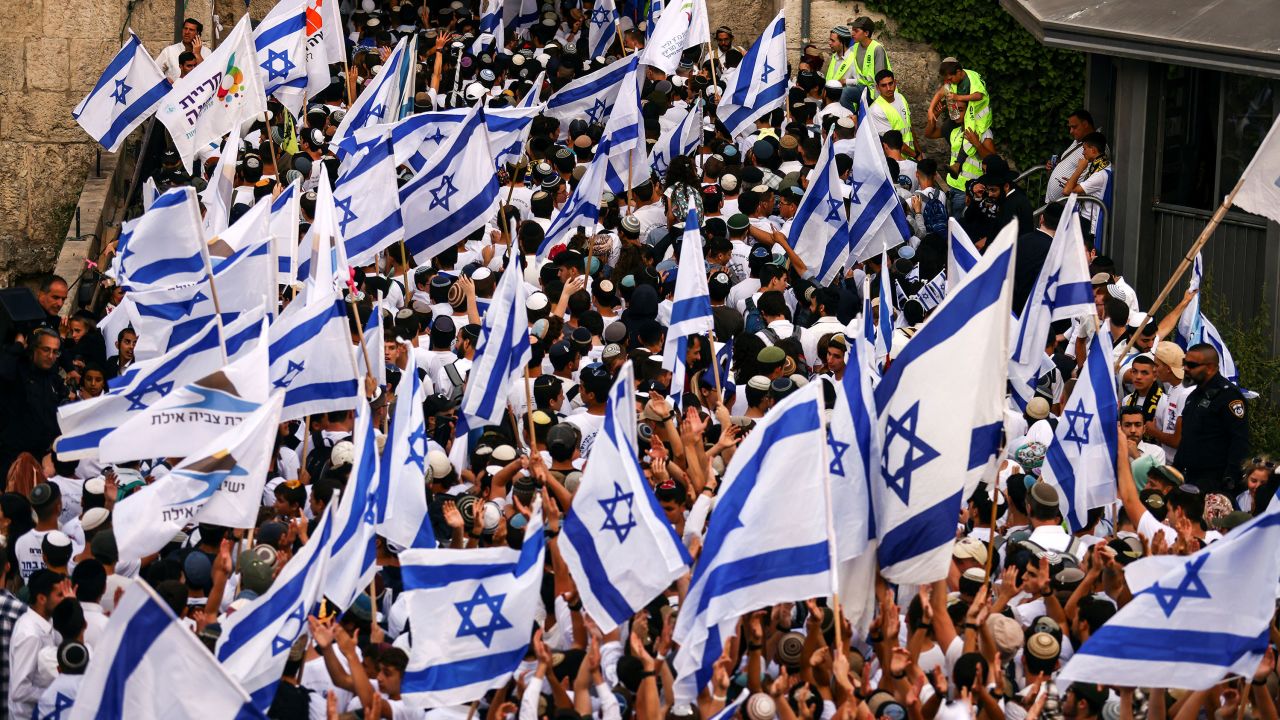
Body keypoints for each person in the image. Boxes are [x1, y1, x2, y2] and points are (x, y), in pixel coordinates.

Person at [1175, 343, 1249, 494]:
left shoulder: (1229, 396)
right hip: (1190, 477)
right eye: (1185, 363)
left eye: (1191, 365)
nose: (1186, 368)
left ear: (1209, 368)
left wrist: (1230, 478)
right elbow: (1187, 437)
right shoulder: (1194, 396)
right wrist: (1175, 471)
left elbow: (1240, 441)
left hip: (1215, 481)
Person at [0, 329, 66, 479]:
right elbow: (3, 372)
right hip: (12, 457)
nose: (50, 356)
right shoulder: (18, 372)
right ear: (34, 349)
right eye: (46, 350)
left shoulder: (54, 380)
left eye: (55, 352)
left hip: (43, 460)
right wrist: (17, 346)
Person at [8, 569, 67, 720]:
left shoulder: (47, 622)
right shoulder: (31, 635)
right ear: (41, 598)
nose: (64, 599)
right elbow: (19, 690)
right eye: (60, 595)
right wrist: (55, 693)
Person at [1060, 131, 1113, 238]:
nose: (1083, 153)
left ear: (1093, 150)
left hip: (1089, 224)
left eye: (1084, 149)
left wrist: (1080, 168)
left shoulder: (1099, 174)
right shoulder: (1104, 166)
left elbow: (1066, 191)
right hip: (1087, 220)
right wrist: (1072, 184)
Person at [1045, 109, 1099, 203]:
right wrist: (1056, 166)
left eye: (1074, 127)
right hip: (1056, 204)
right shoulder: (1078, 141)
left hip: (1069, 206)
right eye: (1070, 127)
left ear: (1085, 124)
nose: (1070, 131)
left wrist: (1074, 185)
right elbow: (1071, 164)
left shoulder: (1097, 146)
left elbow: (1092, 180)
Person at [867, 71, 915, 158]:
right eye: (884, 85)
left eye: (890, 83)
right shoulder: (876, 110)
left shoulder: (900, 97)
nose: (888, 88)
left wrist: (918, 151)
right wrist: (916, 156)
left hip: (911, 154)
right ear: (877, 88)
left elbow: (909, 127)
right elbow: (892, 142)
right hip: (897, 160)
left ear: (895, 83)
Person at [156, 18, 204, 83]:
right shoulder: (169, 51)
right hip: (175, 92)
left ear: (198, 33)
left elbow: (208, 74)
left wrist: (197, 54)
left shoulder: (207, 52)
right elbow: (154, 72)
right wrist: (164, 81)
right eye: (185, 28)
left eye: (191, 30)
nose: (187, 32)